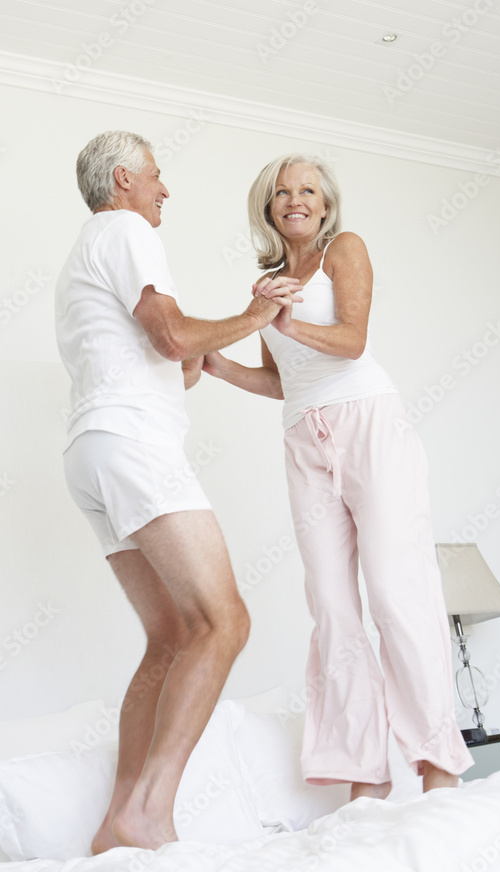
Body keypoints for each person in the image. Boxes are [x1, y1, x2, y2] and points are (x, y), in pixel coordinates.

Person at [54, 131, 300, 852]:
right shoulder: (126, 228)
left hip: (90, 451)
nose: (166, 190)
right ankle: (151, 810)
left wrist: (207, 346)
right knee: (224, 623)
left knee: (169, 636)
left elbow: (176, 361)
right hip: (134, 446)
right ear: (123, 180)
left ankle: (119, 826)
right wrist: (255, 316)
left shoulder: (86, 249)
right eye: (157, 177)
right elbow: (168, 338)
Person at [203, 153, 473, 800]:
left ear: (324, 204)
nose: (294, 199)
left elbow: (350, 341)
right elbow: (278, 378)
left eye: (306, 190)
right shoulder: (266, 282)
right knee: (329, 604)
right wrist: (218, 366)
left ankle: (436, 760)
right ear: (267, 207)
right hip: (303, 438)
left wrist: (287, 321)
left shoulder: (343, 250)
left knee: (393, 589)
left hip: (367, 423)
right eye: (280, 192)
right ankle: (361, 772)